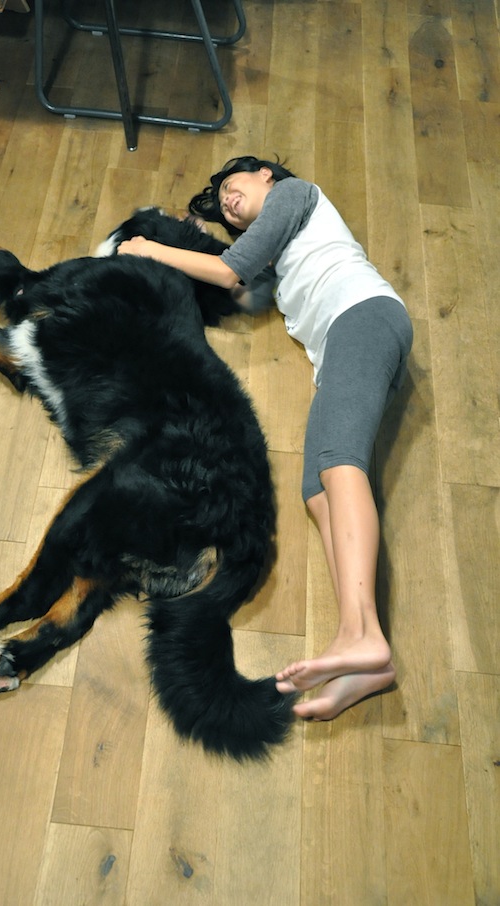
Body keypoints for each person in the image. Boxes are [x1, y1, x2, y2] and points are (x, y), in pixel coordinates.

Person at [117, 156, 413, 721]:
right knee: (318, 493)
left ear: (266, 176)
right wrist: (191, 235)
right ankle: (364, 657)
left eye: (232, 187)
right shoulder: (277, 254)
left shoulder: (295, 194)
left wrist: (148, 248)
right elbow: (239, 284)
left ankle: (363, 635)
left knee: (340, 464)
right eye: (225, 208)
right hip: (340, 347)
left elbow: (230, 272)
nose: (228, 202)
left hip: (364, 318)